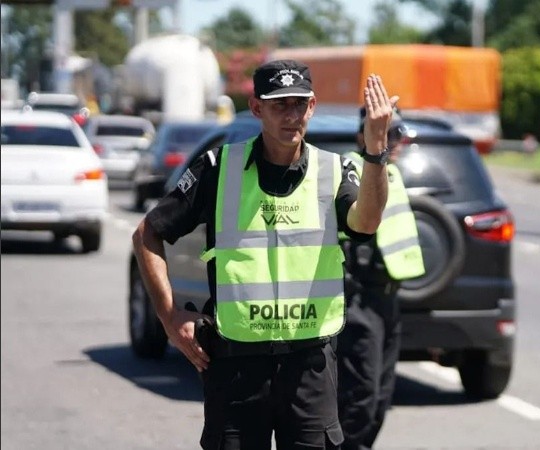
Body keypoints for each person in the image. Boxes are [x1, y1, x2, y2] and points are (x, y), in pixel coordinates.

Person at [131, 59, 398, 450]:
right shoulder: (219, 168)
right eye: (279, 105)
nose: (291, 116)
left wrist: (375, 151)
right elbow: (147, 234)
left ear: (312, 106)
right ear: (257, 108)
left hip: (310, 366)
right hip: (235, 367)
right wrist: (170, 316)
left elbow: (367, 222)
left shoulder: (334, 170)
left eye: (299, 104)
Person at [336, 106, 426, 450]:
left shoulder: (392, 174)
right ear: (365, 136)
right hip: (359, 296)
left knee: (380, 398)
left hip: (388, 298)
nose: (397, 142)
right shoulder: (351, 168)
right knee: (361, 394)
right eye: (390, 134)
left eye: (399, 134)